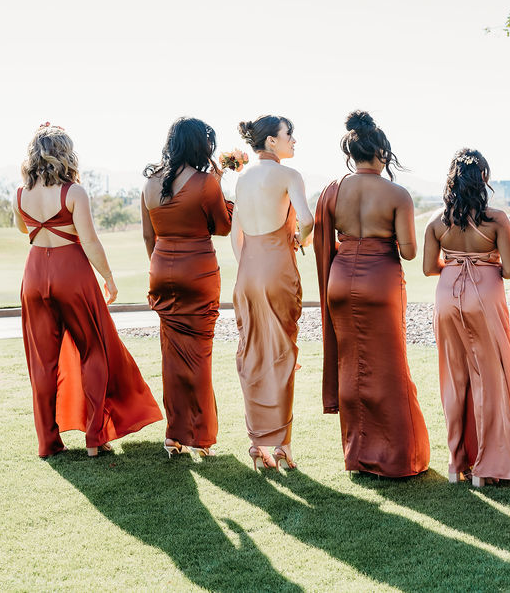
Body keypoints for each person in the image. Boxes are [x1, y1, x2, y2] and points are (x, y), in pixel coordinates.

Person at [15, 122, 161, 458]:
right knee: (93, 349)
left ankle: (48, 444)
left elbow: (23, 227)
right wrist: (108, 277)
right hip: (72, 272)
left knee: (42, 363)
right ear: (65, 154)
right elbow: (90, 241)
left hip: (35, 274)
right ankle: (96, 439)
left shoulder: (19, 194)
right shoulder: (74, 192)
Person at [314, 110, 430, 478]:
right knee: (389, 367)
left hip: (340, 280)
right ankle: (396, 457)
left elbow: (323, 238)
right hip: (380, 280)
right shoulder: (397, 193)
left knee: (351, 367)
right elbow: (409, 252)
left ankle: (359, 456)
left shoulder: (333, 189)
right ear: (382, 152)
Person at [422, 149, 510, 486]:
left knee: (454, 380)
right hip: (484, 295)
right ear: (483, 179)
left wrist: (456, 262)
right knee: (489, 378)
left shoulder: (436, 222)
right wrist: (483, 264)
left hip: (446, 296)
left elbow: (430, 268)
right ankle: (488, 467)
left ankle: (457, 465)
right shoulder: (497, 219)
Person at [142, 117, 232, 458]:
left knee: (172, 357)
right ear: (200, 146)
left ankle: (174, 435)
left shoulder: (150, 183)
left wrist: (163, 267)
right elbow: (223, 227)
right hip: (198, 271)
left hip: (161, 268)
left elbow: (149, 236)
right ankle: (200, 436)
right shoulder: (206, 182)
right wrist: (219, 185)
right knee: (199, 356)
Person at [231, 115, 312, 471]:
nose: (294, 139)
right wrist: (300, 239)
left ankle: (258, 444)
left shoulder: (242, 179)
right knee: (281, 354)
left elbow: (236, 235)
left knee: (253, 354)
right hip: (278, 267)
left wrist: (250, 262)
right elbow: (307, 219)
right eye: (288, 134)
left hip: (248, 272)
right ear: (270, 142)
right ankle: (282, 445)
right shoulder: (289, 176)